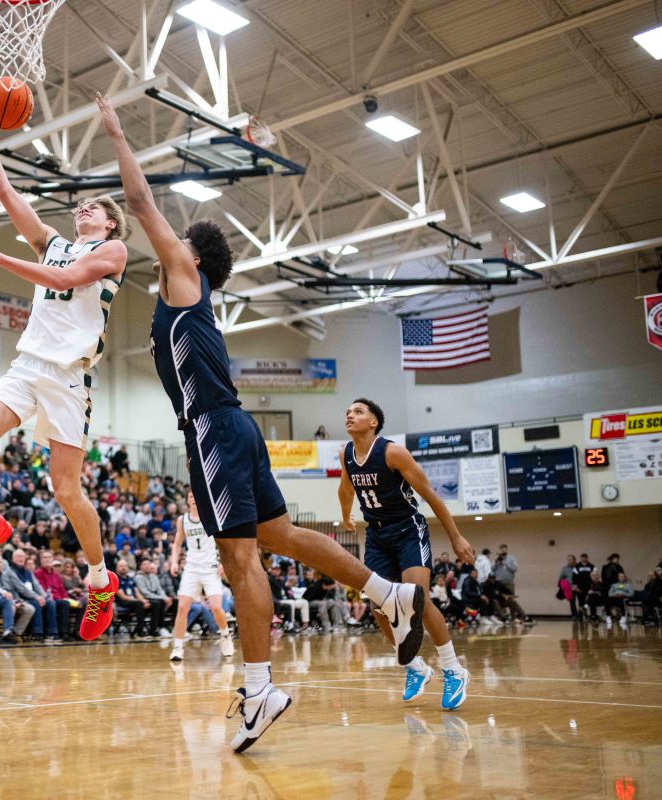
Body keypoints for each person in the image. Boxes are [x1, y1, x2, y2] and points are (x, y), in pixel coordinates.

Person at [96, 93, 424, 754]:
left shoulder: (185, 278)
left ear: (191, 255)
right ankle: (388, 594)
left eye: (176, 239)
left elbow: (138, 205)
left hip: (215, 432)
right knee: (283, 535)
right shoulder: (184, 296)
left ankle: (258, 688)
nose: (166, 241)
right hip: (232, 428)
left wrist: (117, 134)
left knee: (239, 556)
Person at [0, 110, 130, 645]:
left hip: (70, 378)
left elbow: (66, 278)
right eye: (81, 205)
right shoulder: (52, 240)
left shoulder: (113, 251)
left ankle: (100, 582)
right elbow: (9, 196)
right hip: (29, 364)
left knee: (66, 489)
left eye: (94, 206)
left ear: (111, 222)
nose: (84, 208)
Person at [339, 398, 474, 710]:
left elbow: (430, 494)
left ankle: (453, 670)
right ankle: (415, 667)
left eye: (358, 411)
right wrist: (345, 515)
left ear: (374, 422)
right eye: (348, 411)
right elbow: (346, 489)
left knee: (418, 599)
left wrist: (455, 537)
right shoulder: (347, 453)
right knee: (379, 606)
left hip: (407, 528)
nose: (350, 414)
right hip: (376, 533)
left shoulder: (392, 452)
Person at [168, 489, 233, 661]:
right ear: (187, 501)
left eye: (196, 495)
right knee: (182, 607)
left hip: (210, 567)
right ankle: (178, 647)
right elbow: (176, 545)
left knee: (216, 607)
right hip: (191, 567)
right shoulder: (182, 520)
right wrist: (174, 561)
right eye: (191, 496)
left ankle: (226, 636)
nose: (194, 498)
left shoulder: (211, 517)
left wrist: (224, 563)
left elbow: (224, 542)